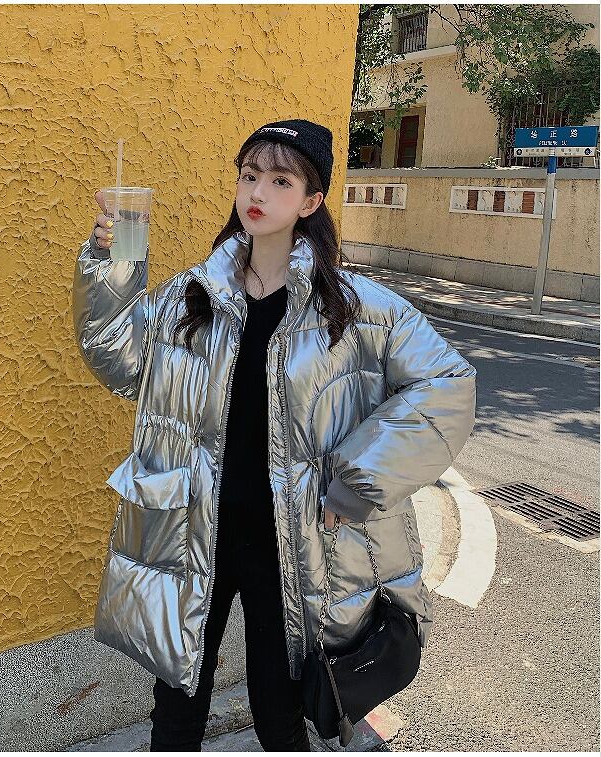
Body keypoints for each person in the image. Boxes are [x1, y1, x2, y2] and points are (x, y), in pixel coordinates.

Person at [73, 119, 477, 751]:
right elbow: (118, 358)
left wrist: (359, 477)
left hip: (290, 536)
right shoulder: (194, 297)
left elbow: (447, 385)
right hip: (194, 526)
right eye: (249, 175)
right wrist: (116, 256)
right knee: (176, 705)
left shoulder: (356, 309)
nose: (257, 192)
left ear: (311, 201)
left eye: (281, 181)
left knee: (278, 710)